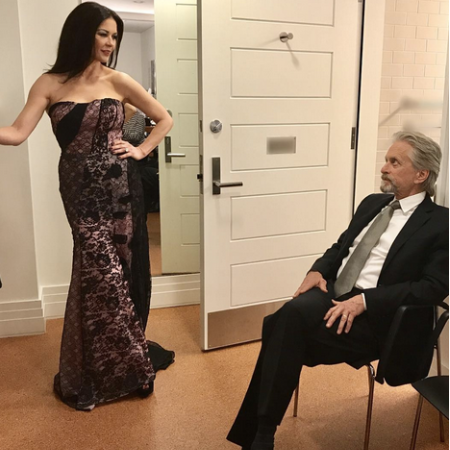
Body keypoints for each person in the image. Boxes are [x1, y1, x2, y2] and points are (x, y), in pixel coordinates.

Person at [0, 2, 174, 410]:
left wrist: (140, 149)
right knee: (100, 271)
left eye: (114, 36)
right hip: (79, 190)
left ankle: (118, 364)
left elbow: (163, 118)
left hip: (120, 188)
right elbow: (17, 132)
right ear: (82, 34)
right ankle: (120, 366)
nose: (110, 42)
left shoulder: (119, 80)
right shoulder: (50, 83)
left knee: (119, 272)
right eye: (103, 33)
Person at [227, 131, 449, 450]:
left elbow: (433, 287)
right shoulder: (373, 203)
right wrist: (317, 270)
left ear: (421, 174)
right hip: (333, 294)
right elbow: (341, 246)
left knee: (281, 326)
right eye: (386, 160)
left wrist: (365, 301)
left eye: (394, 162)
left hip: (378, 316)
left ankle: (261, 435)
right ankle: (261, 434)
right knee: (288, 320)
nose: (384, 168)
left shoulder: (441, 223)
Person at [122, 103, 160, 213]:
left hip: (135, 156)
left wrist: (115, 132)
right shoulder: (114, 114)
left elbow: (136, 135)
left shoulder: (137, 115)